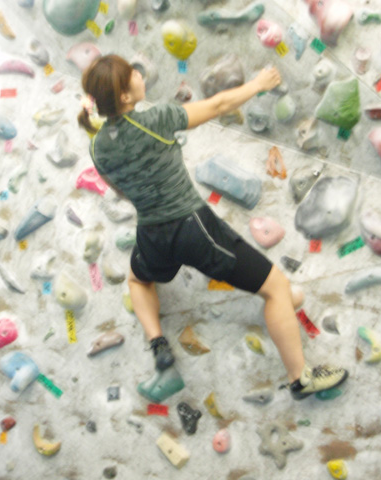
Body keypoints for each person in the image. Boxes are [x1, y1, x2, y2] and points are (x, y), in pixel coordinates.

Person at [78, 54, 348, 400]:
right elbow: (218, 105)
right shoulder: (156, 119)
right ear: (125, 96)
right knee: (277, 289)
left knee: (138, 279)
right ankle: (301, 378)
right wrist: (259, 83)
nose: (140, 75)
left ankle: (157, 341)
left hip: (152, 234)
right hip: (193, 228)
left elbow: (121, 191)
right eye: (133, 74)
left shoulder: (97, 147)